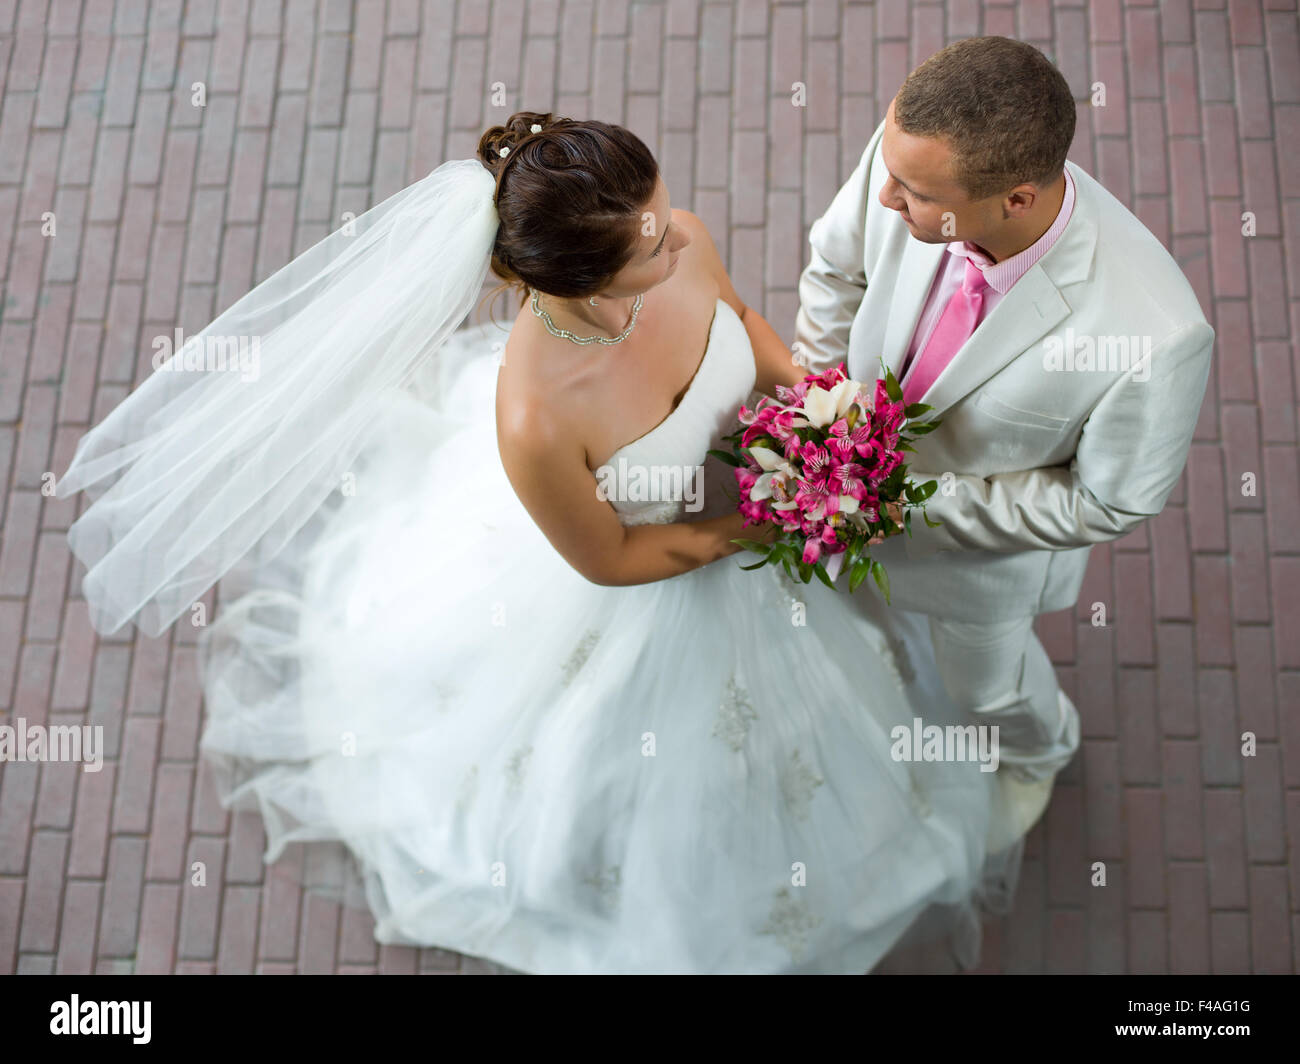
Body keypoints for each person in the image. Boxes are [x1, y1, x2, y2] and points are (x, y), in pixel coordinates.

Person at [59, 111, 1030, 975]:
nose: (673, 241)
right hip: (662, 571)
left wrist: (810, 410)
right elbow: (607, 558)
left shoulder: (678, 239)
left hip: (755, 498)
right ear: (573, 282)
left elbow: (736, 318)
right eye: (642, 251)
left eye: (661, 215)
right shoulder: (534, 417)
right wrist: (759, 521)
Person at [796, 37, 1213, 791]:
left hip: (976, 570)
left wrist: (906, 503)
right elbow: (837, 269)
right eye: (890, 178)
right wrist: (821, 400)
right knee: (866, 624)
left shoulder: (1155, 335)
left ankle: (1037, 758)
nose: (888, 201)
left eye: (915, 197)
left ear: (1016, 199)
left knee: (985, 692)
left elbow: (1108, 498)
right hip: (845, 516)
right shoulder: (911, 159)